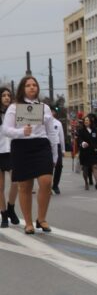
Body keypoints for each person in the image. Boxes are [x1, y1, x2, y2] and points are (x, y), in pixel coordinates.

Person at [2, 76, 60, 234]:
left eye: (34, 85)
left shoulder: (44, 108)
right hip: (21, 146)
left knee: (46, 181)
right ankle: (28, 223)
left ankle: (41, 219)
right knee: (25, 186)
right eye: (28, 85)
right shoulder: (14, 107)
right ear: (22, 88)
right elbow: (6, 129)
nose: (32, 87)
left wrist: (55, 154)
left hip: (41, 145)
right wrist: (21, 132)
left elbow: (51, 133)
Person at [0, 86, 21, 228]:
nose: (7, 97)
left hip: (12, 151)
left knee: (16, 181)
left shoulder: (15, 113)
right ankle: (4, 214)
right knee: (0, 186)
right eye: (3, 95)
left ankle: (11, 206)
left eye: (8, 95)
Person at [77, 115, 97, 191]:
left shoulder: (95, 130)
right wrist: (83, 143)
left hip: (93, 151)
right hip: (85, 152)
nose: (86, 122)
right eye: (85, 121)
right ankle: (86, 183)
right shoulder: (81, 130)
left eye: (87, 120)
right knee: (85, 169)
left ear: (90, 122)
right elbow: (79, 140)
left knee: (95, 166)